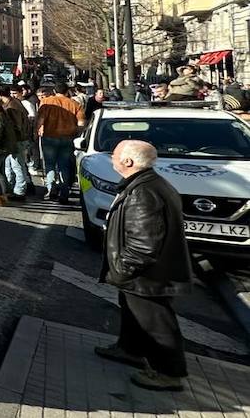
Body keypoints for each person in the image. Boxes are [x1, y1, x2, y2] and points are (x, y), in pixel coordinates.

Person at [96, 139, 192, 392]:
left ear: (128, 161)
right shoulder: (147, 183)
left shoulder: (143, 192)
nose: (112, 158)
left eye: (115, 155)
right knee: (133, 313)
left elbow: (144, 244)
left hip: (147, 276)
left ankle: (169, 373)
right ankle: (130, 350)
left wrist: (123, 269)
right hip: (145, 274)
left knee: (155, 323)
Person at [37, 84, 85, 202]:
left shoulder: (47, 102)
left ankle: (51, 188)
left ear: (54, 90)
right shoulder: (74, 104)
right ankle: (64, 192)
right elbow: (81, 123)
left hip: (50, 136)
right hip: (68, 137)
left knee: (49, 164)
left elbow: (41, 120)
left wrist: (37, 131)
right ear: (67, 91)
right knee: (64, 165)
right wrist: (76, 134)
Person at [0, 87, 31, 200]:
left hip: (17, 140)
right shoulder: (14, 102)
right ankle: (13, 187)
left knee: (17, 165)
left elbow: (15, 126)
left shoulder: (11, 107)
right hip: (19, 139)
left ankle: (19, 190)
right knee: (11, 164)